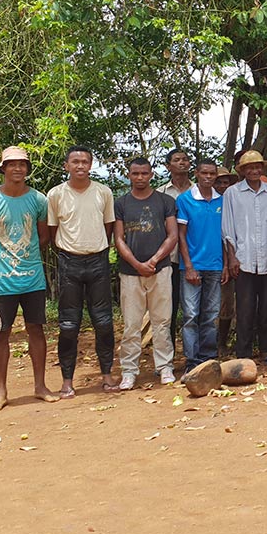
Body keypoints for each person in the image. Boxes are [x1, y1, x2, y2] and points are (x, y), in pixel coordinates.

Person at [0, 146, 58, 413]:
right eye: (12, 164)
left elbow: (43, 237)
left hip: (33, 279)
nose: (18, 168)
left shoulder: (38, 200)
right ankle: (0, 391)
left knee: (36, 330)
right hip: (1, 283)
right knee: (0, 334)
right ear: (3, 168)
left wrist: (26, 259)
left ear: (27, 169)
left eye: (22, 164)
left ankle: (40, 386)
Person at [48, 145, 117, 397]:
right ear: (66, 166)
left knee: (104, 322)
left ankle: (107, 375)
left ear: (91, 165)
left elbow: (108, 227)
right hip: (68, 263)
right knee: (68, 325)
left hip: (98, 261)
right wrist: (71, 250)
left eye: (85, 161)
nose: (80, 166)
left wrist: (95, 249)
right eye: (74, 161)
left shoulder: (103, 192)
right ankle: (67, 380)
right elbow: (53, 230)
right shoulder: (55, 195)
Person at [114, 157, 178, 389]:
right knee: (131, 324)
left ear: (152, 174)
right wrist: (136, 263)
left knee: (162, 321)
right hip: (130, 273)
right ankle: (129, 370)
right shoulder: (121, 203)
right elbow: (118, 239)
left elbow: (172, 235)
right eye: (135, 174)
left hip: (160, 270)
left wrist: (153, 260)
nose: (140, 178)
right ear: (129, 175)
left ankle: (164, 367)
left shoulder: (165, 201)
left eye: (144, 173)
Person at [223, 150, 267, 363]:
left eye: (258, 166)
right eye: (250, 167)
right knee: (245, 309)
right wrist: (232, 258)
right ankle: (244, 354)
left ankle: (266, 350)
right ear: (243, 171)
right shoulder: (232, 193)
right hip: (244, 259)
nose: (255, 170)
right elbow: (228, 228)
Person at [176, 159, 227, 374]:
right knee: (190, 315)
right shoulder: (185, 200)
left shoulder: (221, 201)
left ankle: (208, 358)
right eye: (204, 173)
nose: (208, 177)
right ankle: (192, 360)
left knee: (211, 313)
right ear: (196, 174)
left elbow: (226, 236)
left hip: (215, 265)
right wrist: (188, 266)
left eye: (212, 174)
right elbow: (181, 235)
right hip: (193, 266)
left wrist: (225, 264)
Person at [157, 149, 192, 346]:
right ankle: (166, 355)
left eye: (185, 159)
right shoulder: (161, 194)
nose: (182, 163)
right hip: (168, 259)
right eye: (177, 160)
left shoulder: (197, 191)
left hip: (194, 259)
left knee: (193, 310)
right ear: (168, 166)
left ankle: (193, 356)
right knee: (166, 310)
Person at [213, 165, 236, 357]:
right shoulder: (208, 203)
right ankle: (209, 344)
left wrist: (229, 262)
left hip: (231, 258)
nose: (222, 186)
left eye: (225, 182)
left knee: (227, 304)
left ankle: (222, 343)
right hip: (210, 259)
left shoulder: (233, 202)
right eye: (218, 182)